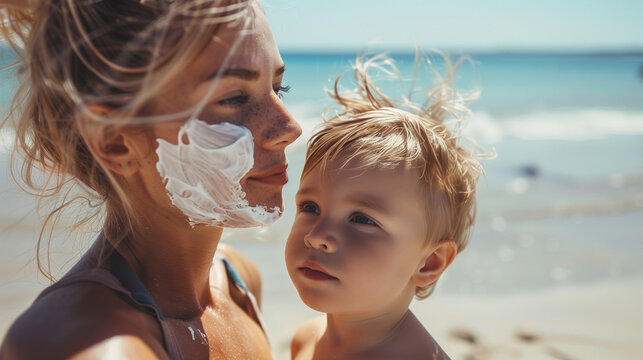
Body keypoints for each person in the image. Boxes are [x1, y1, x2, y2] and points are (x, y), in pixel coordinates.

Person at [0, 0, 301, 358]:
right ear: (114, 140)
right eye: (234, 98)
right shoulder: (97, 346)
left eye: (278, 89)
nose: (289, 128)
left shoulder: (236, 278)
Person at [285, 53, 484, 360]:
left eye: (362, 219)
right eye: (311, 207)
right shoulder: (306, 340)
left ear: (429, 262)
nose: (316, 236)